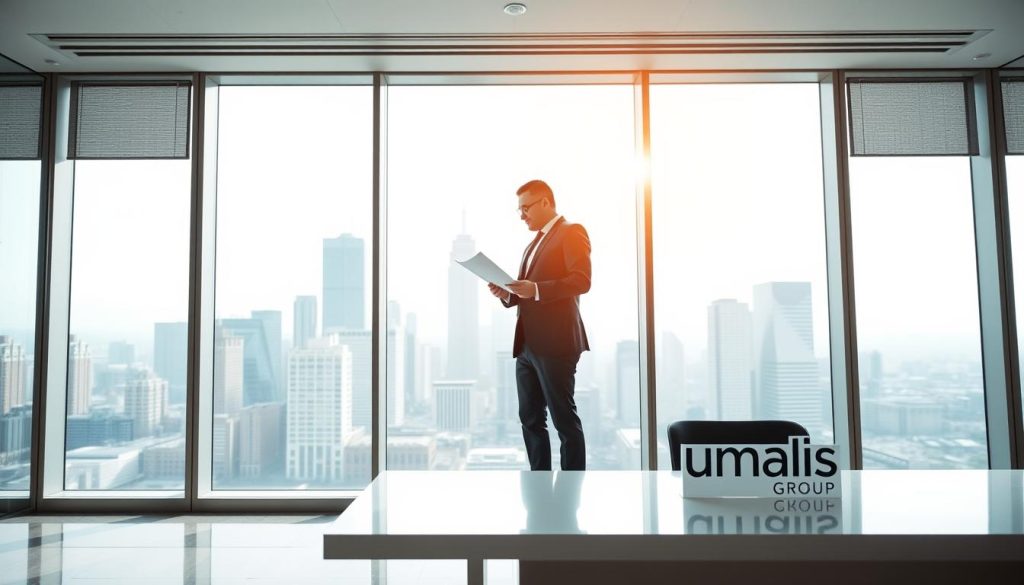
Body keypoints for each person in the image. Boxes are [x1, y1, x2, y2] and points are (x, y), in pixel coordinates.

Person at [488, 179, 591, 471]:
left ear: (545, 202)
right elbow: (528, 294)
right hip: (527, 345)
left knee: (564, 421)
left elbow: (581, 280)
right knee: (530, 419)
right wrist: (508, 294)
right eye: (519, 210)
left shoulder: (572, 232)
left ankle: (572, 489)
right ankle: (540, 483)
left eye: (526, 208)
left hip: (556, 343)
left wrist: (534, 289)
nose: (522, 216)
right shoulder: (532, 244)